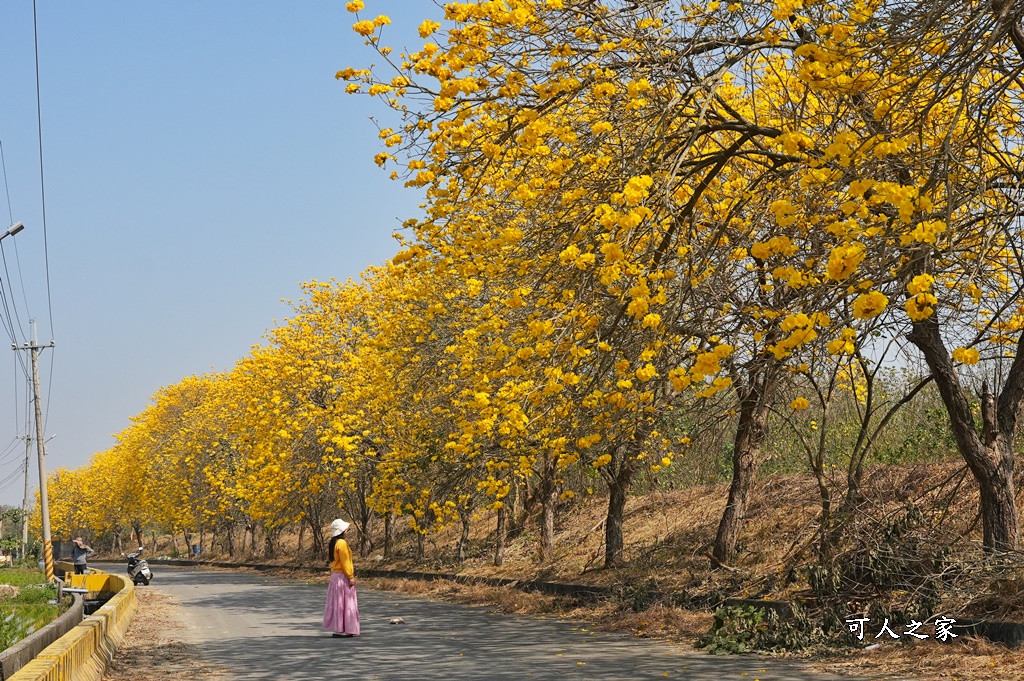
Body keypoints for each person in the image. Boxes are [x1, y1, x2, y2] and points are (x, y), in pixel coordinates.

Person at [322, 518, 360, 637]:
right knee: (346, 602)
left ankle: (338, 628)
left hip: (335, 576)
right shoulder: (342, 543)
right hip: (342, 576)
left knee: (337, 603)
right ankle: (344, 629)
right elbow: (345, 562)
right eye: (346, 529)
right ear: (342, 530)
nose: (347, 530)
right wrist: (350, 576)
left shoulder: (333, 543)